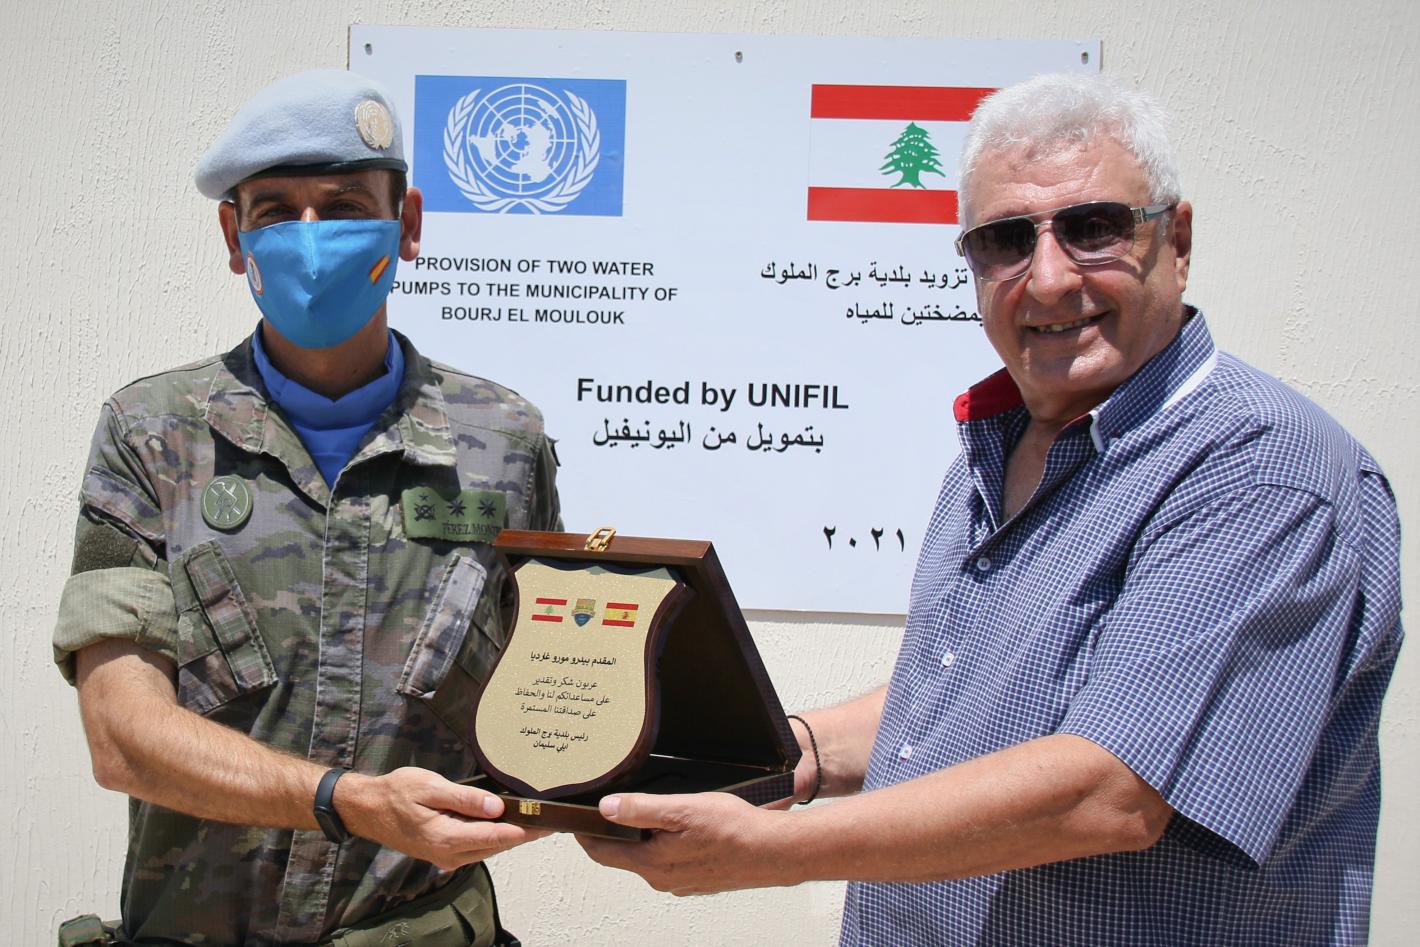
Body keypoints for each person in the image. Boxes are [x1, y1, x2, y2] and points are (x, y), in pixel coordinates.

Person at [579, 72, 1403, 945]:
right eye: (1006, 240)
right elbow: (965, 702)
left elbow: (1112, 790)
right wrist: (783, 755)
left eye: (1093, 228)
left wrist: (770, 850)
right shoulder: (1001, 443)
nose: (1047, 279)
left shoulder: (1259, 469)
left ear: (1179, 239)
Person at [53, 70, 561, 946]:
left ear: (407, 225)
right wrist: (345, 802)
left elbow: (549, 679)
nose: (312, 236)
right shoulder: (153, 434)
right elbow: (122, 735)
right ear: (235, 235)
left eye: (346, 204)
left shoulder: (501, 442)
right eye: (277, 211)